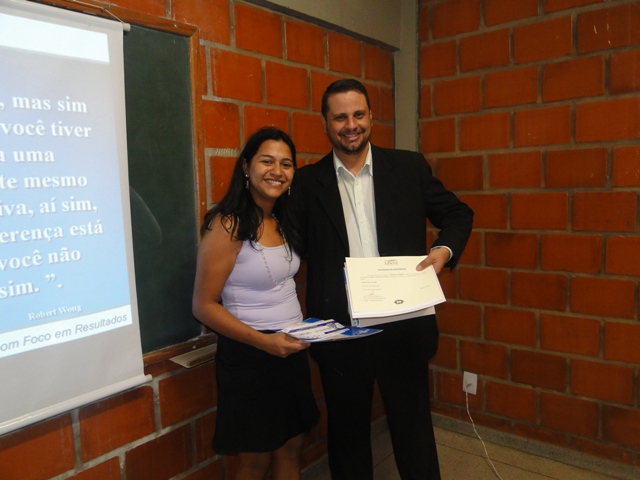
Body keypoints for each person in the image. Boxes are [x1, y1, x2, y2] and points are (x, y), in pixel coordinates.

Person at [292, 79, 474, 480]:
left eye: (358, 114)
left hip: (404, 324)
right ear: (325, 123)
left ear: (372, 117)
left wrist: (443, 252)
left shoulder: (408, 168)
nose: (350, 125)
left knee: (414, 434)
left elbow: (458, 214)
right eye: (340, 117)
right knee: (348, 439)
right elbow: (291, 243)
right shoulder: (305, 183)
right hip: (342, 332)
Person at [192, 127, 319, 480]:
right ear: (246, 167)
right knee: (256, 460)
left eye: (286, 164)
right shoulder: (227, 225)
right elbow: (203, 305)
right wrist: (265, 342)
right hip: (251, 356)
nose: (277, 171)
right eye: (267, 161)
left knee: (291, 447)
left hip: (290, 349)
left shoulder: (282, 219)